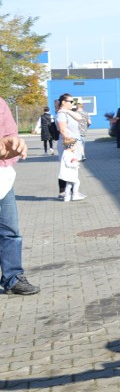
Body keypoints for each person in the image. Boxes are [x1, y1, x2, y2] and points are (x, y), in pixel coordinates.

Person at [0, 98, 39, 295]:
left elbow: (9, 137)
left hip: (2, 180)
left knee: (10, 231)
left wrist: (10, 149)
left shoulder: (0, 104)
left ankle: (13, 277)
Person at [56, 94, 84, 199]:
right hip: (68, 145)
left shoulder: (67, 113)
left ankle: (73, 192)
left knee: (73, 169)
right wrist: (70, 146)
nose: (72, 103)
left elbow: (80, 118)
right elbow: (63, 131)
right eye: (70, 101)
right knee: (68, 169)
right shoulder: (61, 115)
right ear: (63, 102)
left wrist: (67, 110)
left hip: (74, 143)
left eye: (73, 102)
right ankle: (66, 193)